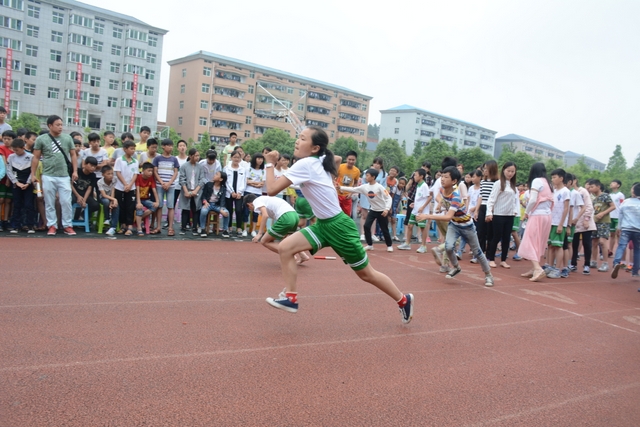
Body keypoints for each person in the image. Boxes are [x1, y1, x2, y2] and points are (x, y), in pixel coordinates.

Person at [263, 126, 414, 323]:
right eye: (298, 137)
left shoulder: (306, 163)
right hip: (323, 225)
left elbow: (272, 189)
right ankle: (291, 298)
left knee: (367, 274)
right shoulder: (318, 161)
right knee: (285, 248)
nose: (297, 141)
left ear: (315, 148)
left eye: (302, 138)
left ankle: (403, 300)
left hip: (339, 227)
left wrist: (269, 163)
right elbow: (336, 158)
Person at [416, 166, 495, 286]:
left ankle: (488, 275)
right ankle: (456, 267)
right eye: (442, 176)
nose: (442, 179)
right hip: (454, 225)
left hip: (467, 226)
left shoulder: (456, 197)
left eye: (446, 177)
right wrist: (440, 205)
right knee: (448, 247)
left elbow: (448, 217)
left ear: (454, 181)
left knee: (477, 252)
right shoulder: (442, 190)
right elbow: (440, 197)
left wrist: (427, 216)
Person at [31, 115, 78, 236]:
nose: (60, 127)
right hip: (48, 175)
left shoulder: (67, 138)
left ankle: (67, 225)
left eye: (61, 125)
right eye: (57, 125)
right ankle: (52, 225)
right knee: (49, 201)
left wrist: (75, 171)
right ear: (50, 126)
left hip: (64, 175)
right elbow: (35, 157)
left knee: (66, 201)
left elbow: (73, 155)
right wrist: (33, 174)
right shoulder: (41, 139)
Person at [339, 168, 394, 252]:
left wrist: (386, 209)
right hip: (373, 210)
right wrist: (340, 187)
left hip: (382, 211)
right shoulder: (365, 187)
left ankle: (389, 245)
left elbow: (389, 198)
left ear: (373, 177)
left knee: (384, 229)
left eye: (367, 175)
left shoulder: (379, 187)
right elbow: (353, 189)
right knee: (366, 226)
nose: (365, 177)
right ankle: (369, 245)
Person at [244, 193, 310, 263]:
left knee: (264, 241)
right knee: (286, 240)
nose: (251, 210)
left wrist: (259, 234)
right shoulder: (265, 199)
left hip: (286, 217)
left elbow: (265, 215)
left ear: (249, 204)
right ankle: (303, 255)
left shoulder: (256, 201)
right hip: (294, 216)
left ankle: (289, 255)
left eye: (249, 208)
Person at [519, 163, 554, 282]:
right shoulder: (548, 183)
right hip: (547, 216)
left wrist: (526, 212)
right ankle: (534, 268)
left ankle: (537, 268)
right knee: (539, 242)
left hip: (537, 215)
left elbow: (533, 199)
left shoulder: (536, 181)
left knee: (530, 241)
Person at [485, 162, 519, 269]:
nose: (510, 173)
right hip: (498, 215)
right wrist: (489, 213)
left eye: (512, 171)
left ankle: (503, 260)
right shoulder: (498, 183)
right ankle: (491, 259)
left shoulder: (513, 185)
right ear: (503, 170)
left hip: (509, 215)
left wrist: (515, 211)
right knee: (496, 237)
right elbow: (491, 199)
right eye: (508, 171)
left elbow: (514, 201)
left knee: (506, 238)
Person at [611, 182, 640, 279]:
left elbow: (621, 215)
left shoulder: (626, 202)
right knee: (637, 249)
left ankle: (616, 262)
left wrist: (619, 227)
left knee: (621, 246)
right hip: (638, 230)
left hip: (626, 228)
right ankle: (635, 271)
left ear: (633, 192)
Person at [5, 138, 35, 233]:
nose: (15, 152)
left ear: (23, 148)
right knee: (17, 204)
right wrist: (16, 182)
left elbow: (33, 171)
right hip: (16, 183)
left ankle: (30, 225)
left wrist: (28, 183)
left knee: (28, 204)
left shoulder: (31, 157)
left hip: (28, 183)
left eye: (17, 150)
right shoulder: (11, 157)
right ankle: (15, 226)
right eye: (14, 150)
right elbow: (9, 170)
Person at [397, 169, 429, 253]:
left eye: (415, 175)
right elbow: (421, 198)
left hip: (421, 211)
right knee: (410, 225)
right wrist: (415, 204)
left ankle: (423, 246)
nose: (414, 177)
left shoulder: (424, 186)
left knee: (422, 228)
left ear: (421, 176)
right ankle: (407, 244)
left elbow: (429, 197)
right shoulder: (418, 185)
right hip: (415, 210)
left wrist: (423, 207)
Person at [152, 139, 180, 236]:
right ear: (163, 146)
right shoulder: (157, 158)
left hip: (171, 186)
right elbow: (155, 171)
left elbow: (176, 172)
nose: (171, 148)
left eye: (172, 146)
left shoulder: (174, 159)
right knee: (159, 206)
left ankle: (170, 228)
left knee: (171, 206)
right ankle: (158, 227)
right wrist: (162, 182)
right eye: (168, 145)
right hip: (160, 185)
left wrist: (169, 183)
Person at [588, 179, 615, 272]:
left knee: (602, 242)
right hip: (595, 222)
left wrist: (603, 213)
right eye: (589, 187)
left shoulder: (605, 196)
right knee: (594, 242)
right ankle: (594, 261)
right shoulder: (594, 198)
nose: (590, 189)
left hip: (604, 222)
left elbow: (613, 206)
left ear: (598, 187)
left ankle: (605, 263)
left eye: (592, 187)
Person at [179, 148, 206, 235]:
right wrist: (186, 191)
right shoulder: (184, 166)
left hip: (197, 191)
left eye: (198, 155)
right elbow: (182, 179)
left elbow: (202, 179)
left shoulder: (200, 167)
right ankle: (183, 227)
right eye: (196, 155)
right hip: (186, 190)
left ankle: (195, 228)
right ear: (190, 156)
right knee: (185, 209)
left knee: (196, 209)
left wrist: (196, 190)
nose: (197, 157)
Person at [114, 140, 139, 236]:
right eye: (131, 149)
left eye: (134, 149)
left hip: (131, 188)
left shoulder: (135, 161)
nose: (133, 151)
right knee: (121, 206)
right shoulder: (119, 160)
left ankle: (130, 226)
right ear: (125, 149)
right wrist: (125, 184)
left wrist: (130, 185)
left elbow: (135, 174)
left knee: (130, 207)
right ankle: (123, 225)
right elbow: (118, 172)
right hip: (120, 187)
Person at [458, 169, 482, 260]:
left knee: (476, 235)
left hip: (477, 214)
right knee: (465, 233)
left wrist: (475, 208)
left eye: (474, 176)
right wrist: (466, 208)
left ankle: (476, 255)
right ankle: (459, 251)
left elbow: (481, 200)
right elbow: (468, 198)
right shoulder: (471, 188)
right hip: (469, 213)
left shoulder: (482, 188)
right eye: (472, 177)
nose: (472, 179)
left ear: (479, 177)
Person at [222, 148, 247, 237]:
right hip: (229, 193)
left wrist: (239, 192)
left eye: (238, 157)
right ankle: (229, 227)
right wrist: (232, 191)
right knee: (229, 210)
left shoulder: (243, 169)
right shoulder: (226, 168)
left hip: (239, 194)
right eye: (234, 157)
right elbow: (226, 181)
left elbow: (244, 182)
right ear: (231, 158)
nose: (236, 159)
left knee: (238, 210)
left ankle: (239, 228)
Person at [199, 171, 228, 237]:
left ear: (221, 179)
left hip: (217, 205)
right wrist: (205, 202)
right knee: (203, 211)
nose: (214, 175)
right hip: (208, 204)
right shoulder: (208, 184)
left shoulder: (223, 188)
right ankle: (202, 229)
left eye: (217, 174)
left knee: (226, 213)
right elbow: (203, 195)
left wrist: (222, 208)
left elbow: (222, 200)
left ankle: (225, 230)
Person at [71, 156, 99, 224]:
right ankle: (68, 221)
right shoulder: (77, 171)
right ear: (85, 164)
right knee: (71, 200)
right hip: (75, 193)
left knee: (96, 205)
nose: (93, 168)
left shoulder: (93, 175)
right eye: (91, 165)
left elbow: (89, 189)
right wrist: (78, 196)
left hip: (85, 194)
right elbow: (71, 185)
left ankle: (83, 215)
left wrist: (84, 200)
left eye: (94, 166)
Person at [135, 162, 159, 236]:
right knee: (139, 208)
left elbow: (154, 190)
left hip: (146, 199)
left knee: (155, 206)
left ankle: (138, 219)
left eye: (151, 171)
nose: (150, 173)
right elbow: (137, 191)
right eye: (149, 171)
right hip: (137, 199)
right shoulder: (138, 177)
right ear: (143, 170)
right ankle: (139, 228)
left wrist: (157, 201)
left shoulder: (151, 178)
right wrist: (139, 202)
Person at [245, 153, 265, 236]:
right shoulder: (249, 169)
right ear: (255, 159)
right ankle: (245, 229)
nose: (260, 160)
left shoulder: (263, 171)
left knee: (256, 212)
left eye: (261, 159)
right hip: (248, 191)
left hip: (258, 193)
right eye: (258, 158)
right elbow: (247, 181)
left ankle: (253, 230)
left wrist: (253, 183)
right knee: (246, 211)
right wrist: (256, 184)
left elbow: (262, 183)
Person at [336, 151, 361, 216]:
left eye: (353, 160)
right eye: (349, 159)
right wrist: (337, 188)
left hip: (347, 197)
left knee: (346, 215)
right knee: (335, 214)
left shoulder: (357, 171)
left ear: (355, 160)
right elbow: (334, 178)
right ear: (346, 159)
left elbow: (355, 183)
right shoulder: (340, 167)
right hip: (337, 195)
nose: (351, 161)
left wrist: (351, 193)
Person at [97, 165, 119, 236]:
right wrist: (114, 199)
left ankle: (113, 227)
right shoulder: (100, 182)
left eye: (112, 173)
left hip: (112, 197)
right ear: (103, 175)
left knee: (116, 205)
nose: (111, 175)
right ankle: (107, 218)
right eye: (108, 174)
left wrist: (112, 201)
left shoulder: (115, 179)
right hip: (103, 198)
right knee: (106, 201)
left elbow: (113, 191)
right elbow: (103, 195)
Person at [608, 179, 625, 258]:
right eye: (611, 183)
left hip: (617, 217)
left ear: (618, 185)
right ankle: (610, 251)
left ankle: (619, 253)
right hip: (610, 216)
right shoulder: (610, 195)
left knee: (618, 235)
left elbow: (622, 205)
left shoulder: (620, 195)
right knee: (612, 234)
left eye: (614, 183)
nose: (611, 184)